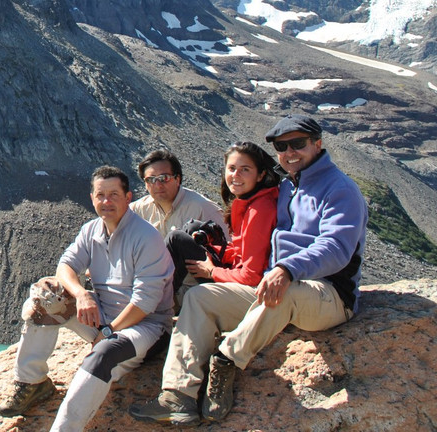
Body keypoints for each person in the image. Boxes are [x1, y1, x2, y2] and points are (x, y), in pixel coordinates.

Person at [129, 115, 367, 426]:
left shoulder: (340, 189)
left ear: (318, 144)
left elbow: (337, 248)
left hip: (328, 293)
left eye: (298, 144)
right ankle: (178, 396)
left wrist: (287, 269)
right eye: (283, 146)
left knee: (286, 289)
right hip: (273, 288)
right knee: (200, 297)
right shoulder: (289, 187)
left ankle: (226, 360)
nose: (290, 152)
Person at [0, 166, 174, 431]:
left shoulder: (146, 238)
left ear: (128, 197)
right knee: (45, 297)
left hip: (144, 327)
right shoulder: (91, 230)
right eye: (100, 195)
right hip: (104, 319)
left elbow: (145, 302)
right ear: (92, 198)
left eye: (114, 194)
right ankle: (32, 383)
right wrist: (81, 295)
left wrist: (109, 330)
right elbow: (65, 265)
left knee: (104, 353)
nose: (106, 201)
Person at [164, 141, 280, 295]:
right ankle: (162, 298)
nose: (235, 175)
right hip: (236, 273)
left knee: (176, 239)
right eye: (232, 168)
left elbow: (251, 276)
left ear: (260, 175)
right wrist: (215, 250)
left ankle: (155, 303)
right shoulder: (251, 202)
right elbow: (241, 252)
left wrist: (212, 271)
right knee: (192, 229)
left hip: (247, 288)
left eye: (245, 169)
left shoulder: (259, 210)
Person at [131, 149, 228, 240]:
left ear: (177, 179)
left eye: (164, 178)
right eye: (150, 180)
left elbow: (228, 248)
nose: (158, 185)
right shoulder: (138, 209)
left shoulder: (203, 209)